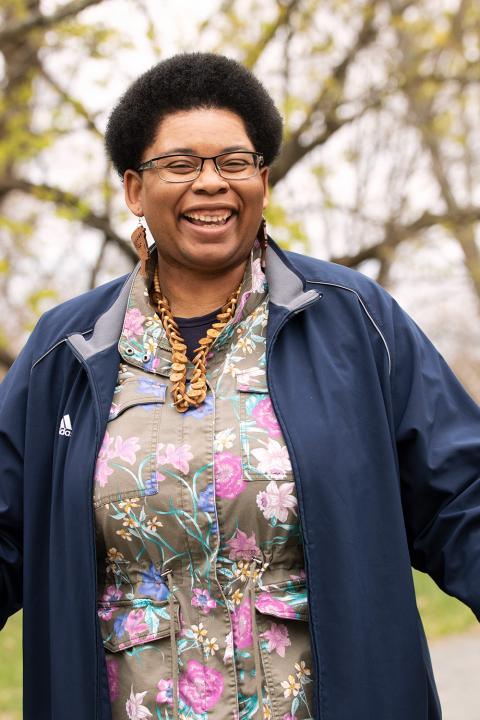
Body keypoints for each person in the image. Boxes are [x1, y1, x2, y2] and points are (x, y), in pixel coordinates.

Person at [0, 52, 479, 720]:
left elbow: (462, 500)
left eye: (233, 162)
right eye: (180, 164)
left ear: (262, 180)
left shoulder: (353, 321)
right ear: (135, 189)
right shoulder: (66, 351)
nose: (210, 184)